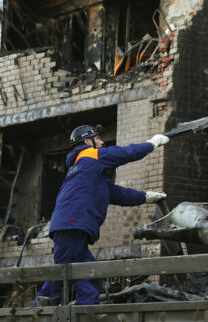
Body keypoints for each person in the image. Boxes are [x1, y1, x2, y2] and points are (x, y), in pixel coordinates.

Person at [32, 124, 170, 306]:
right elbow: (124, 153)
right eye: (98, 139)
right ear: (88, 142)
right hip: (72, 223)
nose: (102, 142)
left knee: (88, 272)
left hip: (71, 224)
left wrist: (145, 197)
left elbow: (117, 194)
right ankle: (43, 307)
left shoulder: (87, 171)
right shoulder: (89, 155)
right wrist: (152, 144)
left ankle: (83, 307)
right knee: (64, 269)